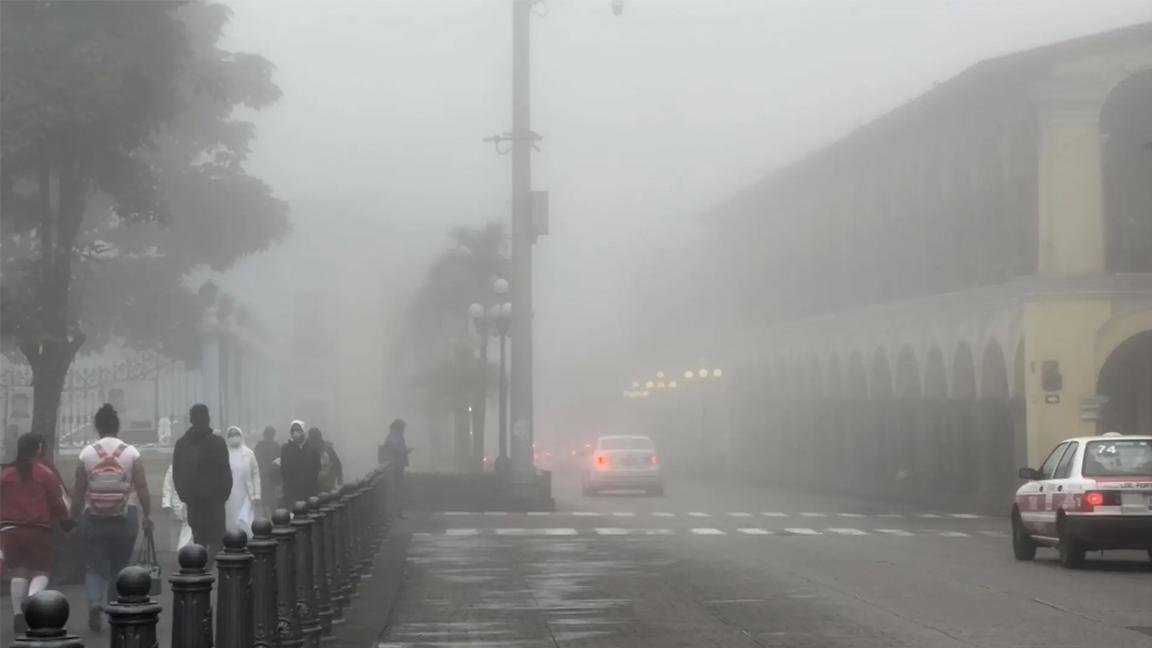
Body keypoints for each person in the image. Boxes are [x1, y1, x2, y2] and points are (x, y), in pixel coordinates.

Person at [72, 404, 152, 632]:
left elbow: (78, 490)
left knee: (94, 566)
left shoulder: (86, 454)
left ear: (97, 426)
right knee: (120, 565)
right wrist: (147, 515)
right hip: (125, 518)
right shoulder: (131, 453)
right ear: (117, 426)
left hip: (93, 518)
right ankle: (115, 607)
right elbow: (143, 487)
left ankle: (95, 604)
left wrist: (74, 518)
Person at [1, 433, 72, 636]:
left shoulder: (5, 474)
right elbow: (57, 503)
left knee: (19, 572)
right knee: (41, 571)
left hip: (10, 531)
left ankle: (17, 615)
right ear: (38, 449)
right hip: (38, 529)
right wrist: (66, 523)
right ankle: (32, 603)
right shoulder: (44, 474)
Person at [172, 404, 231, 559]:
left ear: (191, 419)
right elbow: (225, 473)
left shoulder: (181, 444)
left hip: (194, 503)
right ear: (208, 418)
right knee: (218, 542)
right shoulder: (217, 443)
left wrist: (186, 496)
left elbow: (176, 474)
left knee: (199, 541)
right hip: (215, 503)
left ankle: (199, 572)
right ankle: (207, 571)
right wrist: (222, 497)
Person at [224, 426, 261, 534]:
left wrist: (257, 494)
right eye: (231, 435)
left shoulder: (249, 453)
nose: (234, 437)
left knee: (245, 521)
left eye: (236, 435)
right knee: (231, 524)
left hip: (246, 494)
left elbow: (255, 474)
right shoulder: (224, 454)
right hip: (229, 496)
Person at [280, 420, 319, 508]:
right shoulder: (286, 449)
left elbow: (317, 467)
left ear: (303, 431)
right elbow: (283, 469)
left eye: (298, 430)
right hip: (291, 492)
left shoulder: (312, 449)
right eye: (293, 431)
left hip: (309, 490)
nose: (295, 433)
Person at [380, 419, 413, 519]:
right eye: (403, 427)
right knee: (397, 488)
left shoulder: (393, 434)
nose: (404, 429)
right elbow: (395, 447)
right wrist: (405, 451)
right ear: (400, 427)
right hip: (396, 465)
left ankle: (395, 511)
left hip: (394, 464)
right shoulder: (395, 434)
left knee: (396, 488)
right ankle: (396, 512)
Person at [160, 463, 191, 552]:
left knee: (187, 536)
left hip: (190, 507)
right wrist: (166, 504)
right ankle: (176, 557)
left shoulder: (197, 465)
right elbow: (167, 487)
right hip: (175, 507)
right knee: (174, 538)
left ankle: (182, 556)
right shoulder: (173, 467)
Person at [253, 426, 280, 517]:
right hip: (273, 477)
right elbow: (279, 461)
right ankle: (273, 517)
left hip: (263, 476)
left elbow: (256, 460)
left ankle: (265, 517)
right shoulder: (276, 445)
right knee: (272, 501)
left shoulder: (259, 445)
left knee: (264, 501)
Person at [308, 427, 343, 493]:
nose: (314, 442)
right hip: (313, 486)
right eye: (312, 439)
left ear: (319, 438)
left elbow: (338, 466)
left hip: (328, 485)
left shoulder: (328, 449)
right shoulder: (307, 450)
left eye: (315, 438)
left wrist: (339, 483)